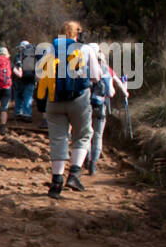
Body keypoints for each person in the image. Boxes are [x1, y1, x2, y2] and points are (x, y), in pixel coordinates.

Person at [35, 19, 101, 199]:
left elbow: (39, 75)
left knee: (58, 139)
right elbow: (95, 76)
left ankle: (56, 183)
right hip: (79, 100)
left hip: (54, 100)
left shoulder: (51, 48)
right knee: (83, 134)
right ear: (77, 33)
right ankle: (74, 174)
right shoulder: (85, 49)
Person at [85, 43, 127, 175]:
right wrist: (125, 92)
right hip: (100, 106)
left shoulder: (81, 67)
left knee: (85, 135)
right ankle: (93, 164)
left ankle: (85, 158)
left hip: (84, 106)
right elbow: (112, 92)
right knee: (98, 135)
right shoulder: (105, 68)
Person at [11, 40, 39, 122]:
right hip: (30, 80)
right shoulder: (33, 57)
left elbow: (16, 67)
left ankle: (18, 112)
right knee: (28, 97)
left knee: (18, 97)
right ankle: (27, 114)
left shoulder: (17, 56)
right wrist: (36, 80)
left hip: (18, 80)